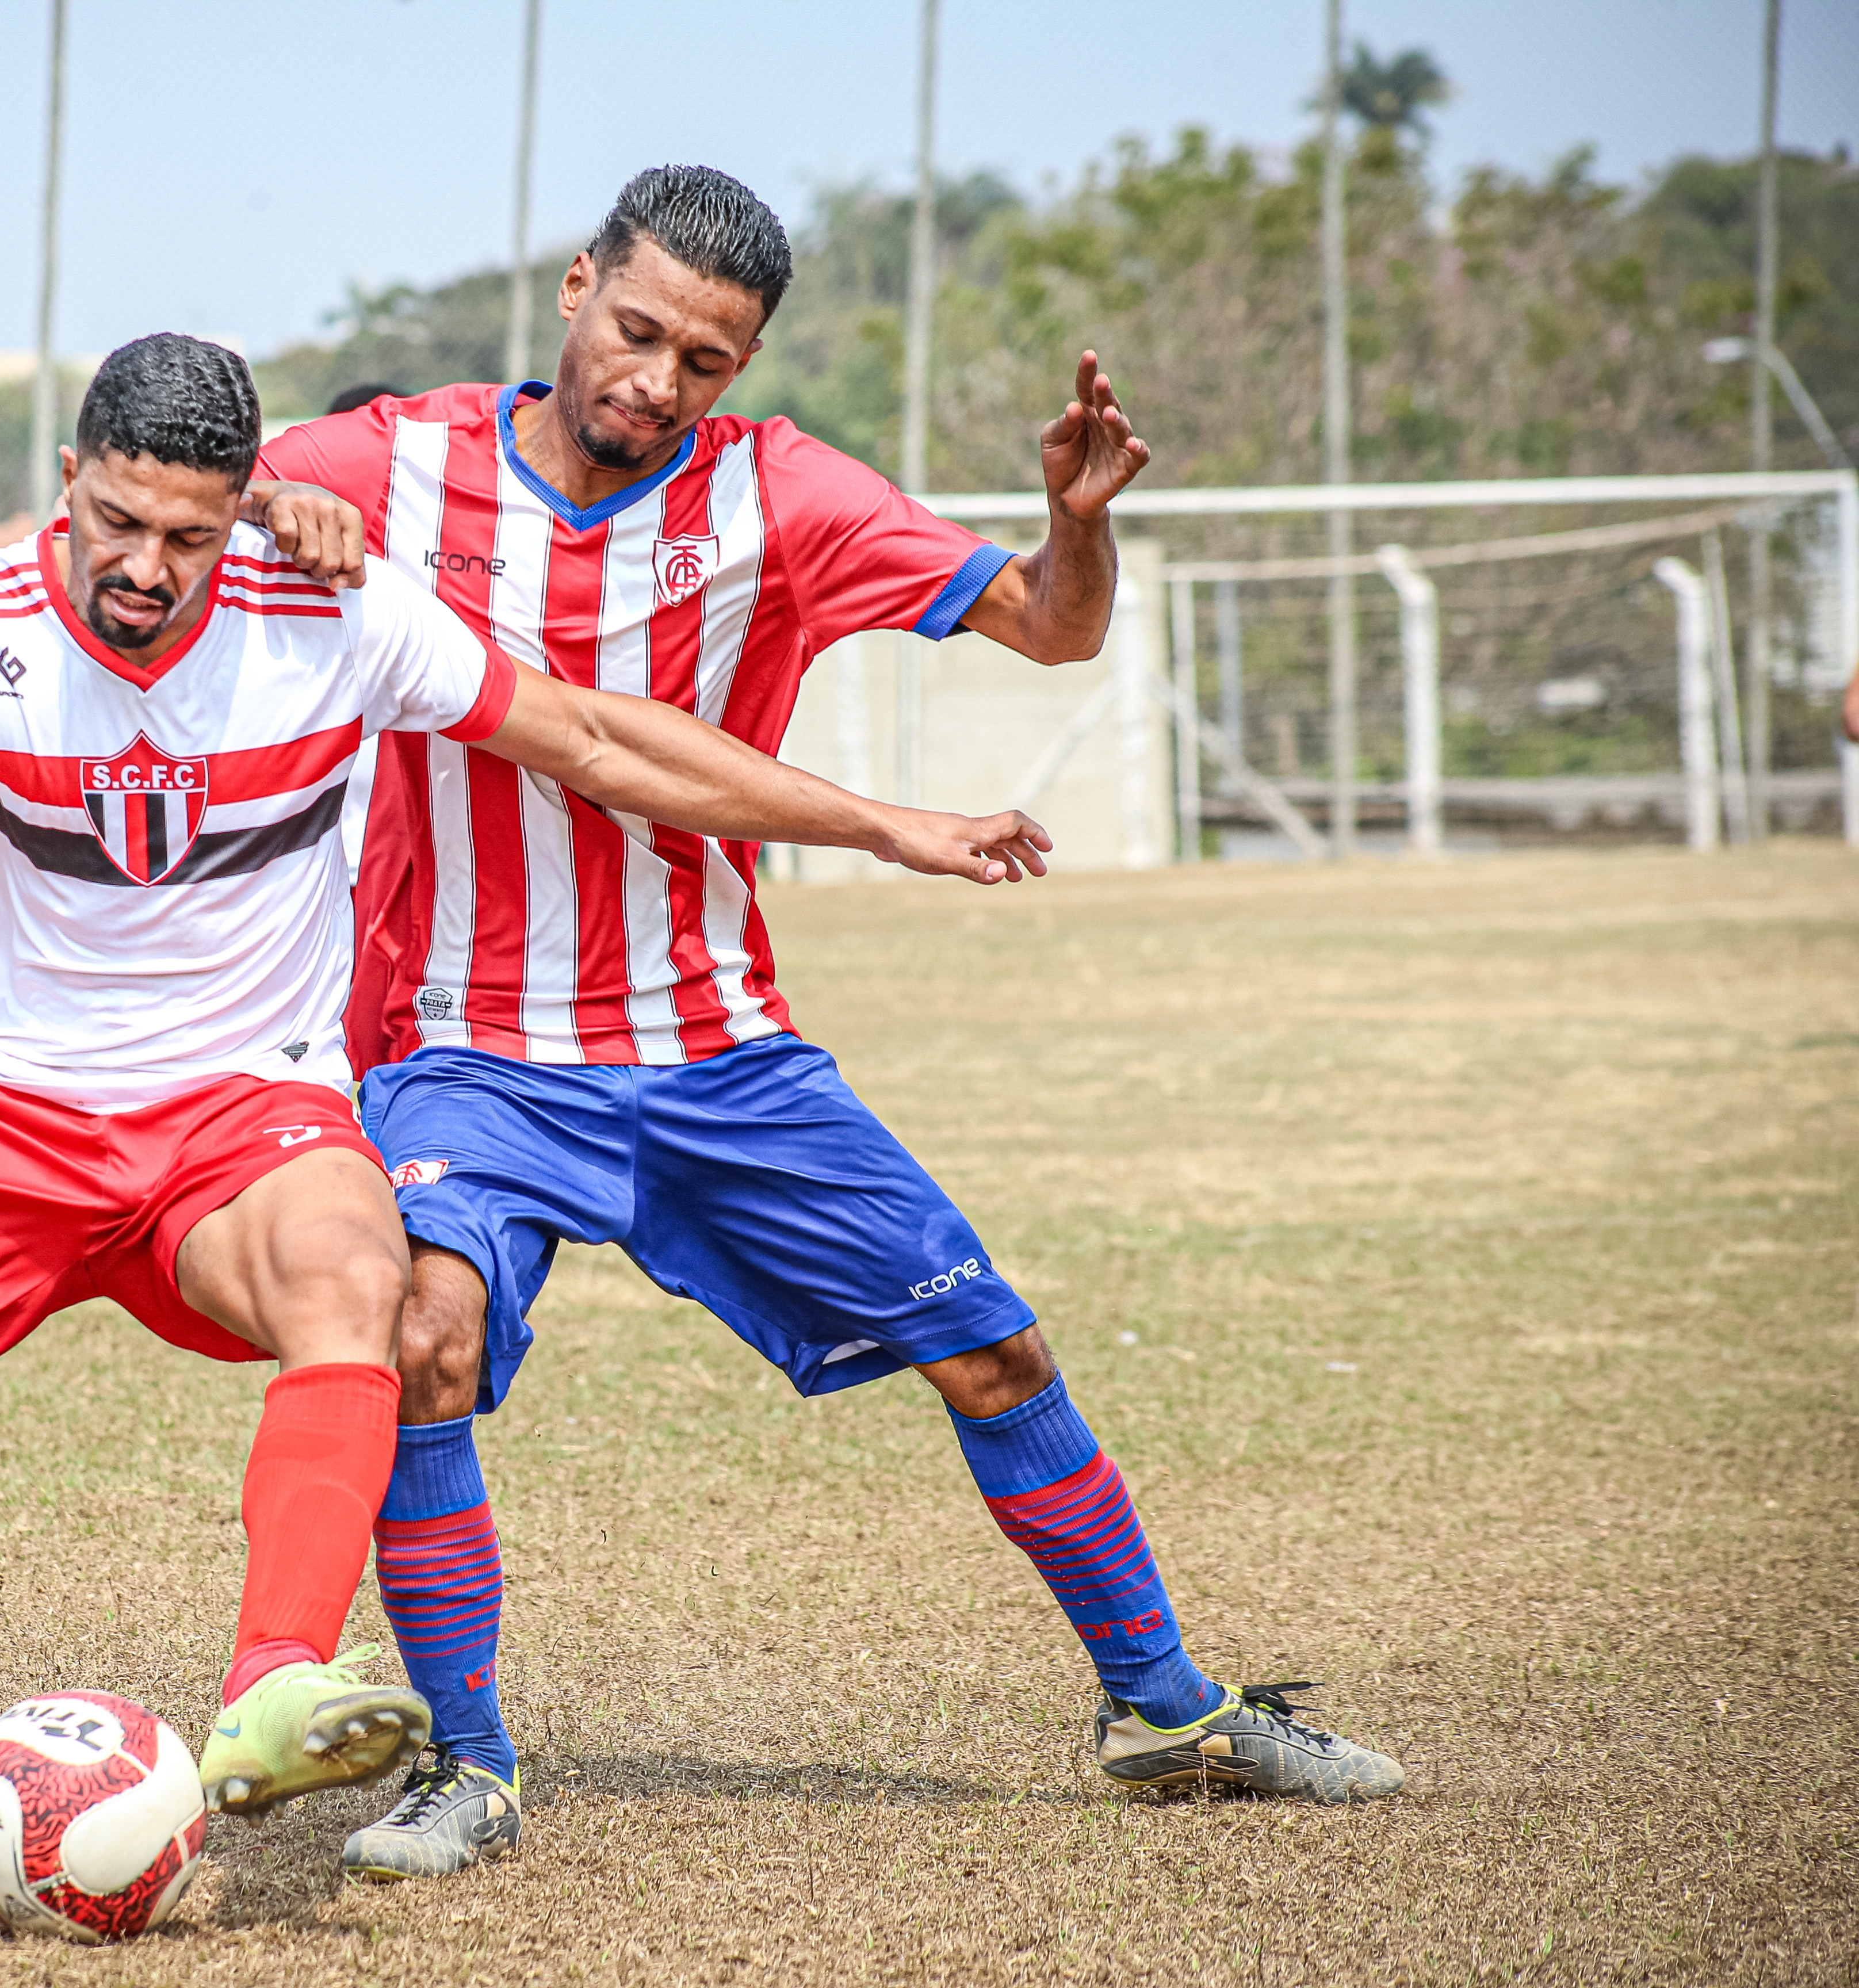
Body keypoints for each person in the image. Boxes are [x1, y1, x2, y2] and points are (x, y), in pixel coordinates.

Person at [0, 334, 1039, 1876]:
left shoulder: (336, 613)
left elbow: (601, 739)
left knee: (359, 1281)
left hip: (248, 1108)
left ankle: (278, 1680)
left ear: (242, 511)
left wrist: (888, 827)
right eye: (117, 523)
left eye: (191, 535)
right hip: (7, 1108)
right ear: (65, 481)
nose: (147, 566)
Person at [254, 165, 1407, 1880]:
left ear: (747, 366)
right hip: (463, 1049)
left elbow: (1050, 630)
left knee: (992, 1349)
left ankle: (1165, 1708)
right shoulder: (394, 458)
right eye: (636, 331)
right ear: (576, 288)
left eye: (705, 361)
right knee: (423, 1339)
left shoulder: (782, 495)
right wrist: (284, 510)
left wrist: (1078, 524)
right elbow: (184, 494)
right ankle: (471, 1768)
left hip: (718, 1046)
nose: (657, 380)